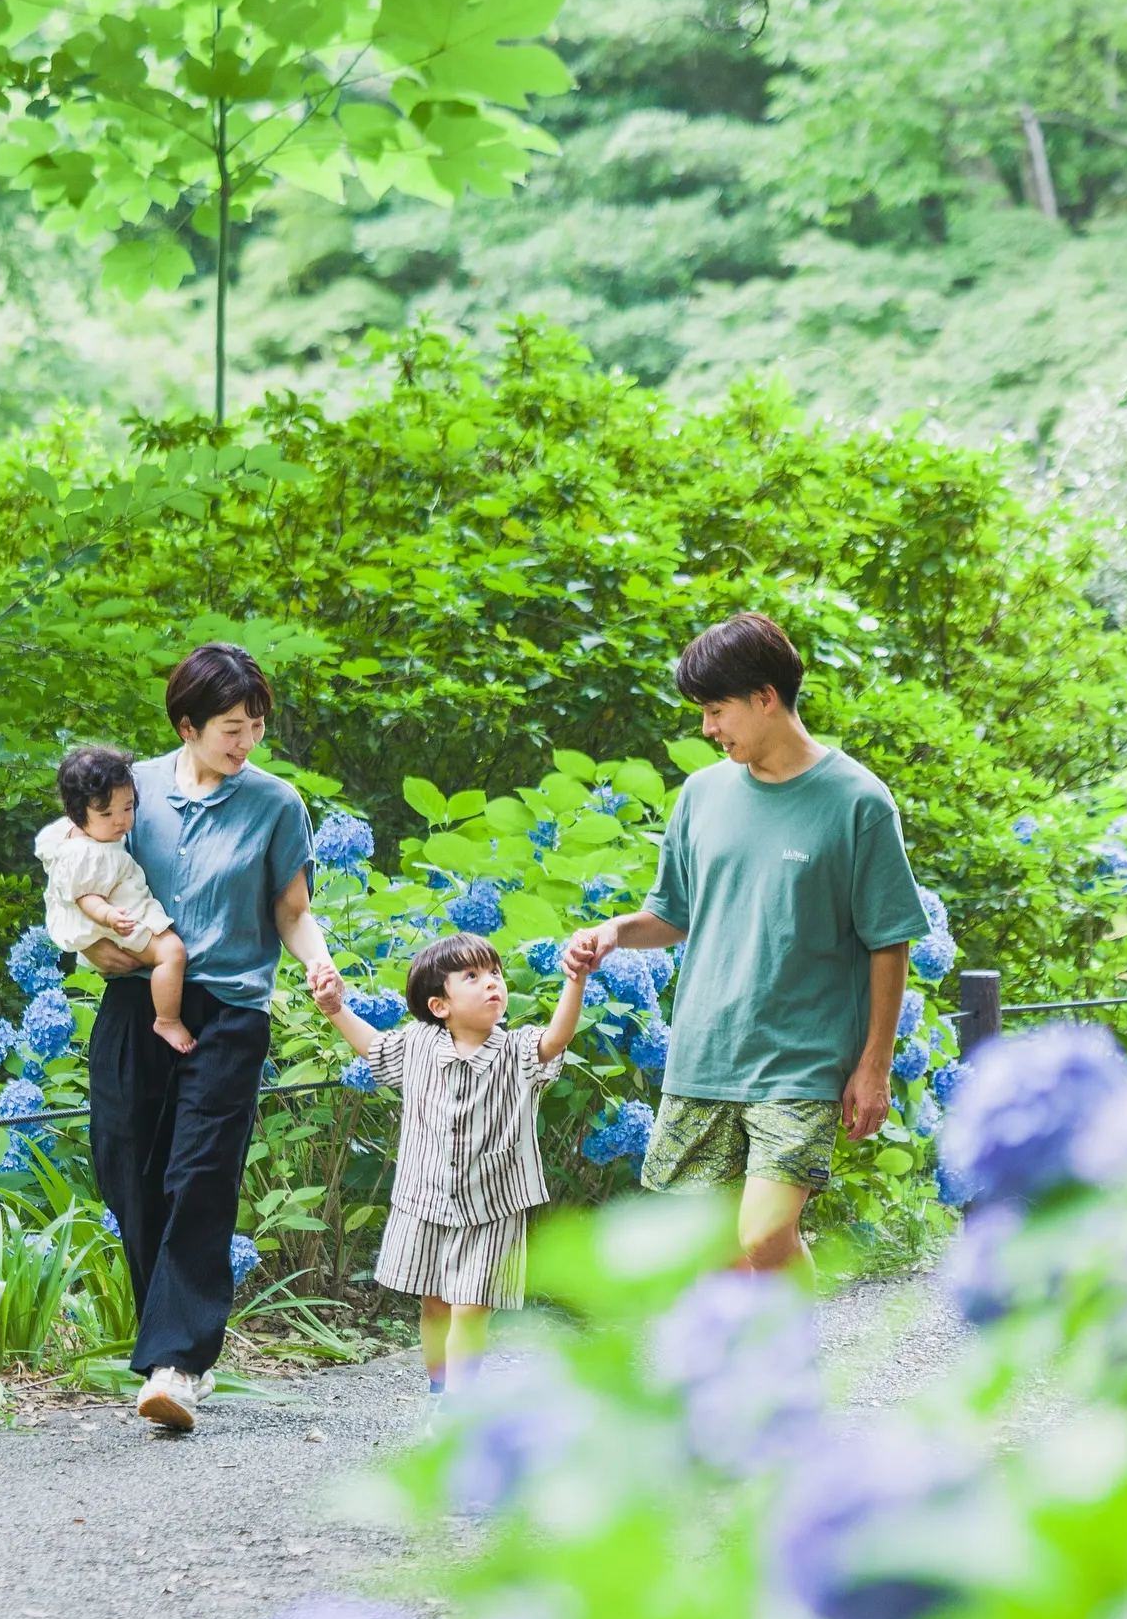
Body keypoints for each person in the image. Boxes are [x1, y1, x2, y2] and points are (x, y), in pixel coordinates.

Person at [564, 612, 929, 1284]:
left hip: (801, 1060)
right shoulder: (700, 796)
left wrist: (874, 1066)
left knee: (762, 1235)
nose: (708, 728)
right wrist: (614, 933)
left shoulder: (858, 802)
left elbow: (889, 940)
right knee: (719, 1253)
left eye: (717, 709)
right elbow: (671, 914)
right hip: (706, 1053)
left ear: (766, 696)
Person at [83, 643, 342, 1432]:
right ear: (187, 724)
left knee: (199, 1173)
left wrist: (321, 964)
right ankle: (165, 1336)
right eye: (232, 726)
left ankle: (177, 1364)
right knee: (126, 1163)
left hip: (230, 1010)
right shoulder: (133, 791)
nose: (247, 741)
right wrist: (90, 945)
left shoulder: (274, 803)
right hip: (136, 1001)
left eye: (256, 725)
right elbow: (81, 879)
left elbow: (291, 911)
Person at [324, 932, 586, 1393]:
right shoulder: (419, 1044)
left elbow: (556, 1039)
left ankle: (458, 1404)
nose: (493, 984)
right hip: (424, 1199)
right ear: (440, 1005)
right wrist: (333, 1008)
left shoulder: (517, 1051)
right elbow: (374, 1048)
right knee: (436, 1305)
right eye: (472, 976)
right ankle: (439, 1391)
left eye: (495, 974)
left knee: (471, 1305)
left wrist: (575, 981)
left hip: (492, 1205)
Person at [36, 745, 195, 1055]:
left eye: (128, 807)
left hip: (120, 914)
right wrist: (110, 917)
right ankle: (167, 1019)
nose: (121, 820)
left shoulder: (84, 835)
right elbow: (85, 898)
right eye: (106, 813)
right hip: (121, 918)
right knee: (172, 952)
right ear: (77, 815)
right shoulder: (85, 853)